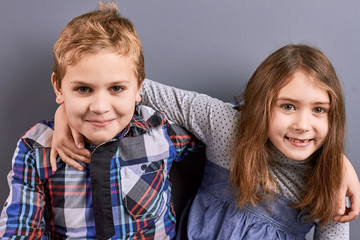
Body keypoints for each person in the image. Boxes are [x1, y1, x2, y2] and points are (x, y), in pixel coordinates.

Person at [52, 44, 360, 239]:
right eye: (287, 106)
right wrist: (68, 109)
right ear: (260, 105)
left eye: (319, 110)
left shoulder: (329, 183)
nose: (303, 125)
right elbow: (130, 89)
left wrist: (337, 162)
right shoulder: (227, 126)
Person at [0, 2, 202, 239]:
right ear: (58, 87)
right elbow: (20, 227)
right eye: (83, 89)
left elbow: (225, 124)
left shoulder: (158, 131)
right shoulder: (36, 148)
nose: (100, 107)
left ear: (139, 87)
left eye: (116, 88)